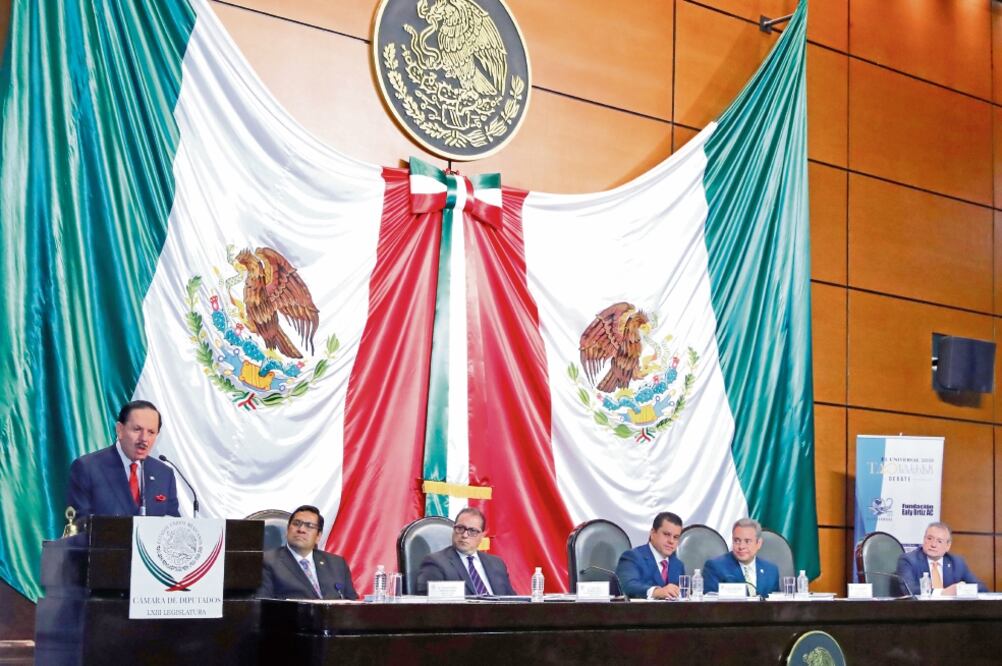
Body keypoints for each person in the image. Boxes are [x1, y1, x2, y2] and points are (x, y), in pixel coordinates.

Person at [66, 400, 180, 520]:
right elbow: (79, 525)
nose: (144, 439)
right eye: (137, 430)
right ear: (119, 430)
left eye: (151, 432)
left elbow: (172, 528)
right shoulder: (87, 468)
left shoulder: (164, 474)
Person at [257, 505, 358, 600]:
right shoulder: (266, 562)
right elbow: (262, 605)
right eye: (296, 524)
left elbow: (352, 603)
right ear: (287, 530)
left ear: (318, 536)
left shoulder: (337, 564)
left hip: (335, 617)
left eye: (309, 526)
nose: (301, 529)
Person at [415, 507, 515, 596]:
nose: (465, 535)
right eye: (460, 528)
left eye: (472, 531)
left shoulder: (497, 564)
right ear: (453, 529)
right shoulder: (435, 563)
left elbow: (514, 602)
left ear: (482, 535)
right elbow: (429, 609)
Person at [896, 521, 986, 596]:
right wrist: (942, 593)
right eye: (929, 538)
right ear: (924, 539)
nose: (933, 544)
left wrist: (960, 590)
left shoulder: (957, 562)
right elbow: (908, 590)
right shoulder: (908, 560)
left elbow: (981, 588)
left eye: (939, 541)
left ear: (948, 546)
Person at [702, 518, 779, 597]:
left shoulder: (771, 570)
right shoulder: (715, 567)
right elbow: (710, 606)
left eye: (747, 541)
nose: (741, 546)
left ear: (759, 543)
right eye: (737, 540)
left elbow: (778, 606)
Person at [616, 511, 685, 599]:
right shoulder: (632, 557)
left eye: (676, 537)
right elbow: (626, 586)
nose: (671, 541)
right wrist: (656, 592)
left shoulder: (678, 565)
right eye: (666, 534)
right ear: (653, 533)